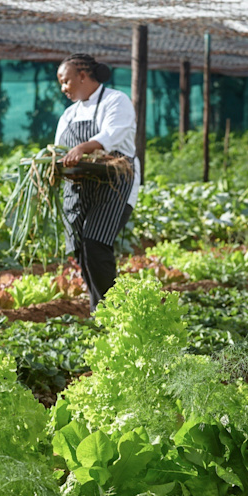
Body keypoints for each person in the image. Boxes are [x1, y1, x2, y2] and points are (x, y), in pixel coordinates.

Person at [54, 53, 141, 312]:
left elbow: (111, 135)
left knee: (96, 243)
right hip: (79, 188)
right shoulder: (69, 114)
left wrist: (82, 147)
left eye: (66, 81)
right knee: (81, 249)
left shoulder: (116, 101)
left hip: (114, 185)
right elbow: (60, 150)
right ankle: (100, 312)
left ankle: (112, 313)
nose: (63, 88)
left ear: (82, 76)